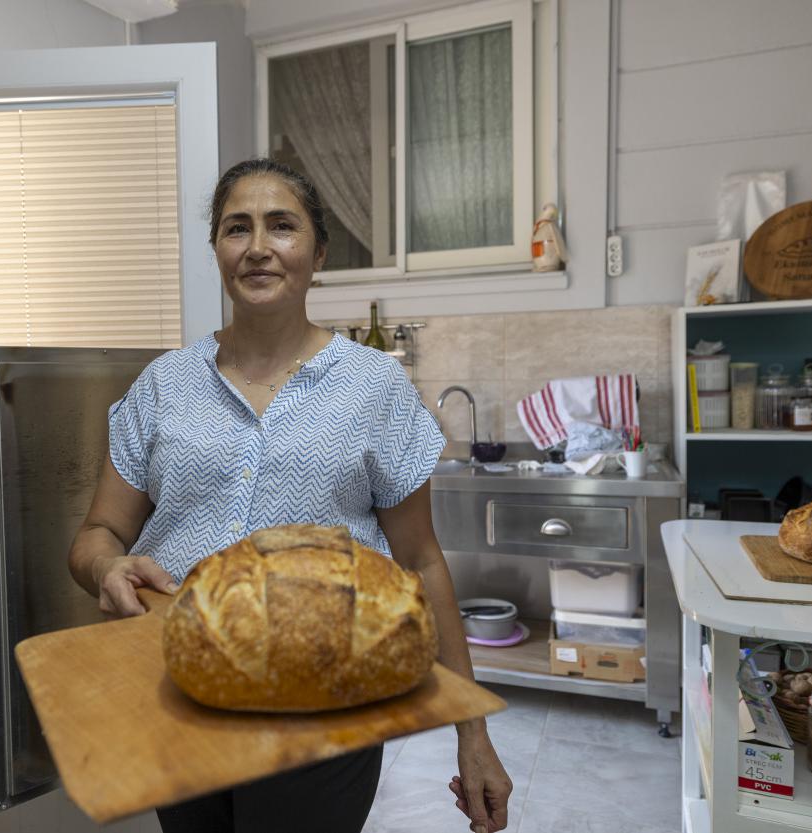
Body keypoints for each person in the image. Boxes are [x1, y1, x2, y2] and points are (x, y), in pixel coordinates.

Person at [68, 158, 513, 833]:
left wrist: (472, 734)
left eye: (282, 226)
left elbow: (421, 560)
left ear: (318, 250)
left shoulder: (375, 387)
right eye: (235, 228)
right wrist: (107, 566)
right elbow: (97, 533)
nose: (257, 247)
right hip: (188, 695)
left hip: (327, 710)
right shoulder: (163, 386)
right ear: (216, 248)